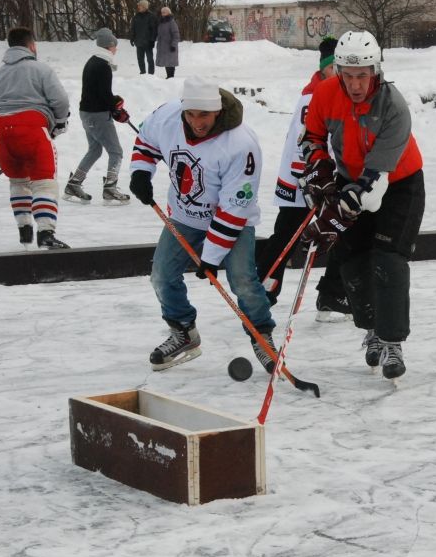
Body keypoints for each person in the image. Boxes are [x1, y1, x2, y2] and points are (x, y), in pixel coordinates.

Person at [299, 31, 425, 381]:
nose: (355, 84)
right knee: (352, 262)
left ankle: (393, 340)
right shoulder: (325, 93)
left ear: (376, 71)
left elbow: (371, 190)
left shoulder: (393, 106)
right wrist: (321, 172)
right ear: (338, 71)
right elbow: (310, 138)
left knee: (388, 260)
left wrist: (329, 221)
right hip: (348, 177)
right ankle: (372, 329)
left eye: (362, 76)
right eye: (348, 75)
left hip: (398, 184)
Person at [128, 77, 276, 372]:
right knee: (161, 275)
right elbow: (146, 140)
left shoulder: (241, 144)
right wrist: (141, 172)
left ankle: (262, 334)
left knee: (242, 280)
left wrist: (210, 258)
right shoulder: (169, 116)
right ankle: (183, 330)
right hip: (184, 216)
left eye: (204, 115)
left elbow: (234, 208)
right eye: (191, 114)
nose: (196, 122)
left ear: (218, 111)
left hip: (232, 220)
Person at [257, 36, 350, 321]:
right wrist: (316, 177)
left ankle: (332, 294)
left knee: (343, 233)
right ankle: (263, 293)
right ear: (325, 69)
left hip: (321, 177)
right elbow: (310, 141)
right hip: (304, 177)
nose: (340, 73)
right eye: (335, 67)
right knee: (286, 235)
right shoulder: (316, 95)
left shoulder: (330, 91)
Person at [0, 27, 70, 250]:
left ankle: (24, 229)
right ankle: (45, 233)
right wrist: (59, 122)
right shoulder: (41, 69)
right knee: (43, 181)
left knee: (18, 181)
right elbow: (61, 100)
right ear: (32, 45)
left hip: (3, 133)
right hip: (32, 130)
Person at [63, 28, 131, 205]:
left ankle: (74, 183)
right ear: (110, 45)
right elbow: (104, 94)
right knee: (116, 152)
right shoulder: (102, 65)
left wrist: (115, 106)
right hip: (97, 115)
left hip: (87, 113)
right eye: (115, 45)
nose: (116, 49)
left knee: (95, 149)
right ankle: (110, 188)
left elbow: (99, 92)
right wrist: (116, 106)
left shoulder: (93, 61)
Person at [130, 0, 157, 75]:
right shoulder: (136, 16)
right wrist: (132, 38)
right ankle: (142, 73)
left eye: (140, 6)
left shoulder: (151, 16)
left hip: (148, 42)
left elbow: (154, 30)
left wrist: (152, 40)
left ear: (144, 7)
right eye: (138, 5)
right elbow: (133, 28)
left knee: (150, 59)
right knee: (140, 59)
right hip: (138, 42)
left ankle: (151, 75)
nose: (138, 7)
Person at [156, 6, 180, 79]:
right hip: (163, 46)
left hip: (170, 45)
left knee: (170, 62)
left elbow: (176, 35)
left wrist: (173, 45)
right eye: (162, 12)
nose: (163, 14)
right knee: (167, 62)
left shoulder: (171, 22)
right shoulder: (161, 22)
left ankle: (171, 77)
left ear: (169, 13)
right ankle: (169, 77)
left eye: (164, 12)